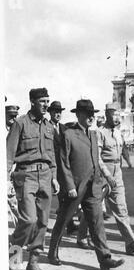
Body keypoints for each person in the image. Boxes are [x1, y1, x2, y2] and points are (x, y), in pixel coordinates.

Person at [47, 99, 124, 270]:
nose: (91, 117)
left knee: (97, 223)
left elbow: (96, 160)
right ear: (79, 115)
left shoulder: (94, 134)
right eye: (88, 114)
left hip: (93, 188)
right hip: (75, 187)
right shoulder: (69, 134)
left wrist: (101, 180)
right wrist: (70, 186)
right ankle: (52, 252)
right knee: (63, 220)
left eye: (93, 114)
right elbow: (64, 162)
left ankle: (105, 259)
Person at [7, 88, 60, 270]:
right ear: (32, 102)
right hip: (26, 177)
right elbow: (8, 154)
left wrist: (54, 176)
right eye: (42, 101)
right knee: (29, 220)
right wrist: (4, 180)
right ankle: (13, 258)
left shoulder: (48, 126)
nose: (46, 105)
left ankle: (33, 263)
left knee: (43, 222)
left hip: (45, 177)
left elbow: (51, 155)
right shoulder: (20, 123)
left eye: (47, 100)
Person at [96, 101, 134, 255]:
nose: (117, 117)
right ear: (106, 115)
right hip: (103, 173)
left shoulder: (118, 133)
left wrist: (126, 163)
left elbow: (122, 150)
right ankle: (82, 235)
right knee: (93, 208)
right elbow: (97, 158)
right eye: (114, 114)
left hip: (117, 172)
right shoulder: (99, 133)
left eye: (119, 114)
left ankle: (130, 242)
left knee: (121, 207)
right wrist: (107, 174)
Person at [47, 101, 79, 236]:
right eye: (55, 111)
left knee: (65, 197)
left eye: (60, 111)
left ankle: (68, 224)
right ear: (50, 112)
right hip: (51, 167)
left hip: (63, 167)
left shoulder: (64, 128)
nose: (58, 113)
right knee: (53, 198)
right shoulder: (45, 127)